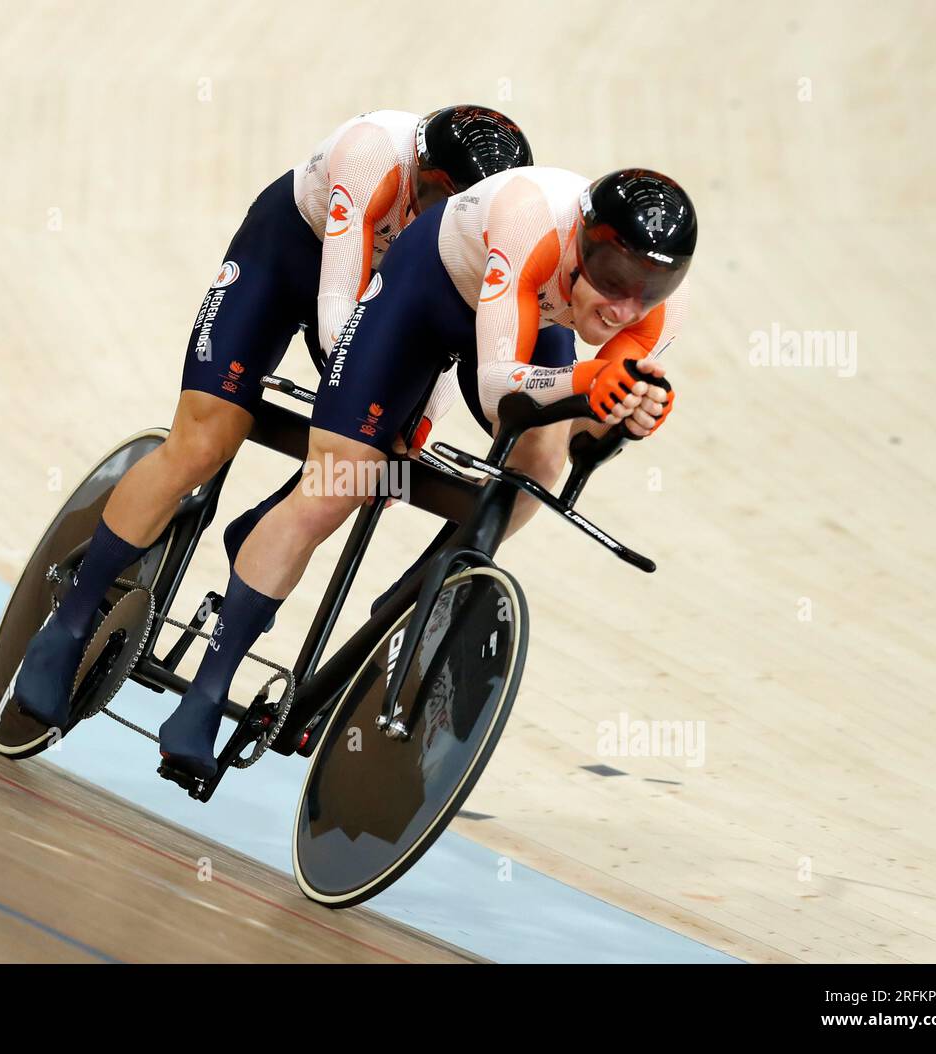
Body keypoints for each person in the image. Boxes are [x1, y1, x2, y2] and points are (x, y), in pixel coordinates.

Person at [157, 166, 696, 779]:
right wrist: (585, 379)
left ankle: (411, 600)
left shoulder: (659, 308)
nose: (625, 305)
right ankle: (208, 686)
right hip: (428, 290)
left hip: (533, 321)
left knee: (540, 465)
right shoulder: (531, 222)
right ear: (580, 242)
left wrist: (626, 416)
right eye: (614, 278)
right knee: (343, 483)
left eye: (648, 288)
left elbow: (585, 428)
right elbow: (498, 391)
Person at [12, 106, 533, 730]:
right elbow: (340, 303)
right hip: (290, 258)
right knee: (204, 441)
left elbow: (448, 346)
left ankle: (263, 530)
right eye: (430, 193)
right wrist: (361, 409)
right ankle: (70, 619)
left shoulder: (495, 237)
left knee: (354, 480)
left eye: (454, 205)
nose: (435, 212)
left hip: (396, 299)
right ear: (416, 166)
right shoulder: (373, 155)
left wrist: (411, 428)